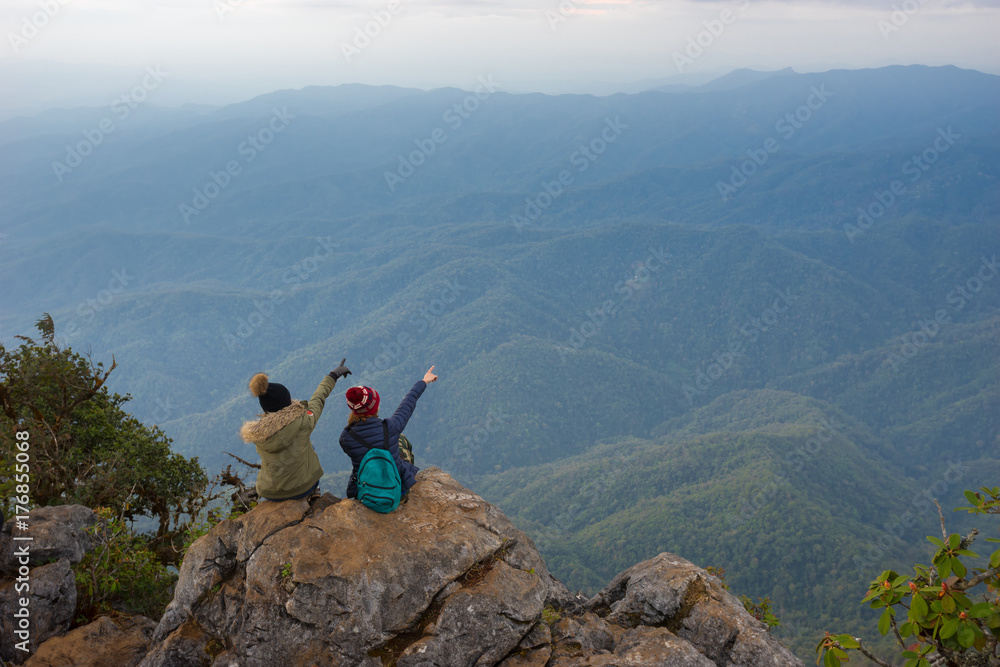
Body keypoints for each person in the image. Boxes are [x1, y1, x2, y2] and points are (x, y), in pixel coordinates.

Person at [239, 359, 352, 501]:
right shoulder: (303, 421)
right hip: (301, 489)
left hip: (270, 493)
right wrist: (333, 376)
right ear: (287, 403)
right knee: (309, 446)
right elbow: (318, 399)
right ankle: (314, 492)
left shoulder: (258, 434)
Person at [339, 366, 438, 500]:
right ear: (375, 406)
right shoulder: (390, 427)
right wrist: (424, 381)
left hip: (366, 493)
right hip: (397, 491)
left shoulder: (346, 438)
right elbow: (408, 403)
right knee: (401, 439)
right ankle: (403, 481)